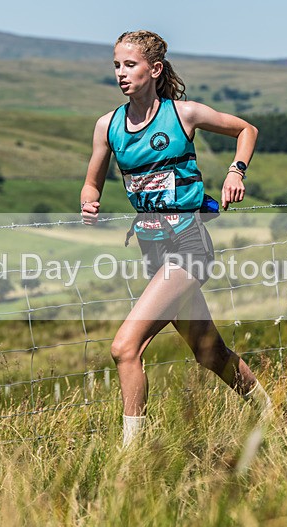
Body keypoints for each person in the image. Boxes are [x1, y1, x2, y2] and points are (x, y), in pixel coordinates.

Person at [80, 30, 271, 447]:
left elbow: (246, 129)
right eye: (116, 65)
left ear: (155, 69)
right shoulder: (107, 126)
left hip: (189, 247)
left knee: (124, 347)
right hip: (154, 253)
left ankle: (131, 461)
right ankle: (269, 415)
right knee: (209, 354)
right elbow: (92, 183)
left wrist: (236, 171)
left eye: (129, 65)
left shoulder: (183, 114)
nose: (120, 73)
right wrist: (89, 202)